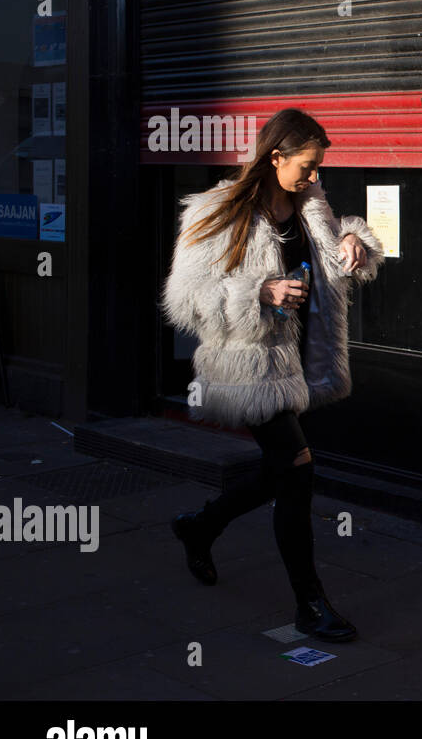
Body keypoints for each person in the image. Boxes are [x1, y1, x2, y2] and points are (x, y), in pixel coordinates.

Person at [160, 108, 384, 643]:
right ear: (275, 155)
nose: (313, 176)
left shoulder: (309, 202)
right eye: (306, 166)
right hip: (248, 366)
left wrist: (354, 242)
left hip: (299, 360)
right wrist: (258, 292)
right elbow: (183, 300)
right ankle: (311, 605)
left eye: (318, 167)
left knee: (281, 472)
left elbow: (335, 248)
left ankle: (200, 526)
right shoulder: (218, 210)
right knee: (298, 470)